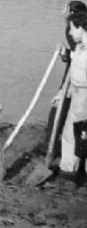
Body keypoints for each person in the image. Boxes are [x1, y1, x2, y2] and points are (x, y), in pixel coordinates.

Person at [46, 1, 87, 156]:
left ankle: (52, 147)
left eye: (65, 7)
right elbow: (75, 55)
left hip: (77, 84)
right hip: (76, 80)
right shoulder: (79, 35)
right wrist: (66, 54)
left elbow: (76, 60)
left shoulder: (75, 32)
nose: (62, 10)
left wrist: (63, 89)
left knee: (61, 109)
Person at [56, 12, 87, 188]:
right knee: (73, 134)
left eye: (71, 29)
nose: (70, 33)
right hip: (77, 94)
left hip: (83, 99)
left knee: (76, 135)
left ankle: (70, 173)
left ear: (80, 27)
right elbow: (74, 66)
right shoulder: (80, 48)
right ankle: (69, 170)